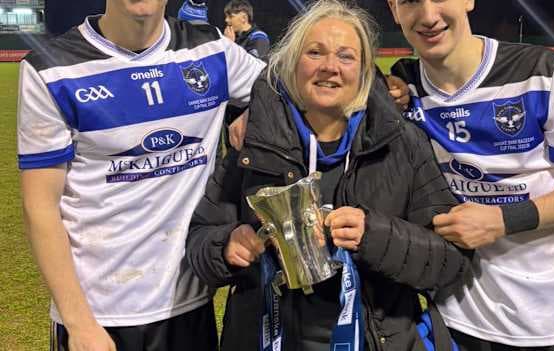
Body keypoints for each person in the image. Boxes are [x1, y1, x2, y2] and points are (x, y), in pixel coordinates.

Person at [186, 1, 471, 350]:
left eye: (346, 57)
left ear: (365, 71)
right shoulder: (253, 145)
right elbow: (200, 241)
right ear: (292, 63)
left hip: (377, 339)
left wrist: (375, 235)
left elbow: (450, 259)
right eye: (315, 52)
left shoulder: (402, 143)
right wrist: (227, 246)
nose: (330, 67)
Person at [17, 0, 265, 350]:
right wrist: (80, 324)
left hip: (190, 305)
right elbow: (39, 207)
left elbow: (291, 89)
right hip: (99, 317)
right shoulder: (52, 70)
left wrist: (257, 110)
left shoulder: (211, 50)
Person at [387, 0, 554, 350]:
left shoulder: (541, 72)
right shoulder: (406, 86)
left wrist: (501, 220)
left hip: (552, 320)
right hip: (454, 319)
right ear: (394, 9)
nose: (428, 15)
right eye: (409, 1)